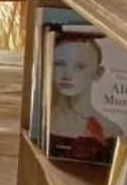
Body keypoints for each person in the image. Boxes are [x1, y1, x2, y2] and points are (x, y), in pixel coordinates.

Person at [48, 33, 119, 162]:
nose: (67, 75)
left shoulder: (110, 130)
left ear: (98, 73)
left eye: (79, 66)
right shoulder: (42, 122)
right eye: (59, 64)